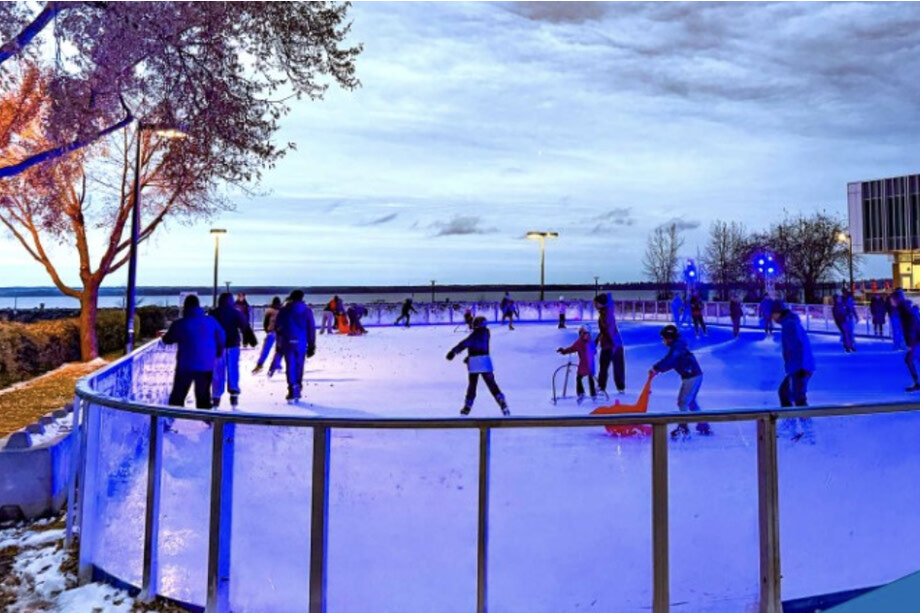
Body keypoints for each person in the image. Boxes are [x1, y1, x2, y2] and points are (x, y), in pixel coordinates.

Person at [162, 295, 226, 409]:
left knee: (177, 397)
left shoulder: (180, 324)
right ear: (198, 306)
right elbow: (222, 336)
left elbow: (168, 339)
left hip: (185, 366)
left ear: (185, 307)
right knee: (203, 397)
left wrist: (164, 337)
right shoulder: (211, 321)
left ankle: (173, 416)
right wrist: (218, 352)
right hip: (206, 364)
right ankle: (205, 416)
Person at [650, 324, 711, 438]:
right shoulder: (677, 346)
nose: (663, 341)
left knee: (683, 402)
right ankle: (703, 425)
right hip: (694, 374)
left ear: (669, 338)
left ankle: (684, 428)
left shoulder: (677, 348)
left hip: (691, 375)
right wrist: (658, 369)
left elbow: (670, 360)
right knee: (691, 402)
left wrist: (656, 368)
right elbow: (671, 362)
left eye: (664, 338)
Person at [446, 316, 509, 415]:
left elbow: (465, 343)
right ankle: (501, 400)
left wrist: (453, 352)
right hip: (485, 362)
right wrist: (469, 356)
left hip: (475, 364)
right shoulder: (486, 333)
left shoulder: (475, 335)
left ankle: (468, 406)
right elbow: (479, 347)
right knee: (492, 384)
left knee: (472, 386)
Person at [772, 300, 816, 442]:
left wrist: (799, 366)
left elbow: (798, 345)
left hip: (800, 366)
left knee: (798, 397)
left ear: (778, 313)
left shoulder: (789, 324)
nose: (772, 318)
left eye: (772, 314)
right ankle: (791, 425)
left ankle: (808, 432)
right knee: (784, 393)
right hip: (798, 365)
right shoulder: (789, 322)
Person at [211, 292, 258, 407]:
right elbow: (245, 326)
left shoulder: (214, 313)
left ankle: (216, 396)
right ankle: (234, 393)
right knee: (233, 368)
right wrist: (252, 340)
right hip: (233, 344)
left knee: (218, 371)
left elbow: (208, 328)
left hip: (218, 346)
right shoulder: (236, 313)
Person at [275, 289, 317, 402]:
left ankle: (292, 388)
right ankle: (298, 386)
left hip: (288, 341)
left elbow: (278, 326)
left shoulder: (284, 310)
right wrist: (312, 344)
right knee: (299, 365)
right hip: (301, 342)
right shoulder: (307, 310)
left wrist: (279, 342)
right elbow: (311, 328)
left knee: (290, 365)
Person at [594, 292, 626, 395]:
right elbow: (604, 331)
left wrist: (611, 344)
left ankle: (603, 386)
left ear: (602, 303)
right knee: (610, 366)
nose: (595, 305)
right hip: (613, 343)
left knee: (609, 366)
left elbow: (608, 331)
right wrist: (597, 340)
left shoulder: (606, 315)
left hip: (612, 344)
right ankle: (617, 386)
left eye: (596, 303)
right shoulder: (605, 312)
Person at [557, 325, 597, 403]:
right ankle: (590, 394)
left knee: (583, 378)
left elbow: (593, 351)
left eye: (587, 334)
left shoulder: (583, 342)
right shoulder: (585, 342)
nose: (586, 335)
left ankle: (584, 393)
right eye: (584, 334)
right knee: (585, 377)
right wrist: (564, 351)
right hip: (588, 363)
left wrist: (564, 351)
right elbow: (572, 348)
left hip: (587, 363)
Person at [891, 290, 920, 391]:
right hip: (916, 337)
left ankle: (917, 383)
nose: (891, 302)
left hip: (915, 338)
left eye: (892, 299)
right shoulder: (905, 307)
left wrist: (910, 343)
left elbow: (909, 327)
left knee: (909, 359)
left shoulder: (903, 309)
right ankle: (917, 382)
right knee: (912, 359)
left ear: (896, 299)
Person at [252, 296, 282, 374]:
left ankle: (261, 364)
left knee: (267, 349)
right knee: (278, 350)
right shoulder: (280, 311)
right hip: (278, 332)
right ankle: (276, 364)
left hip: (273, 332)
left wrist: (267, 330)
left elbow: (265, 322)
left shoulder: (270, 311)